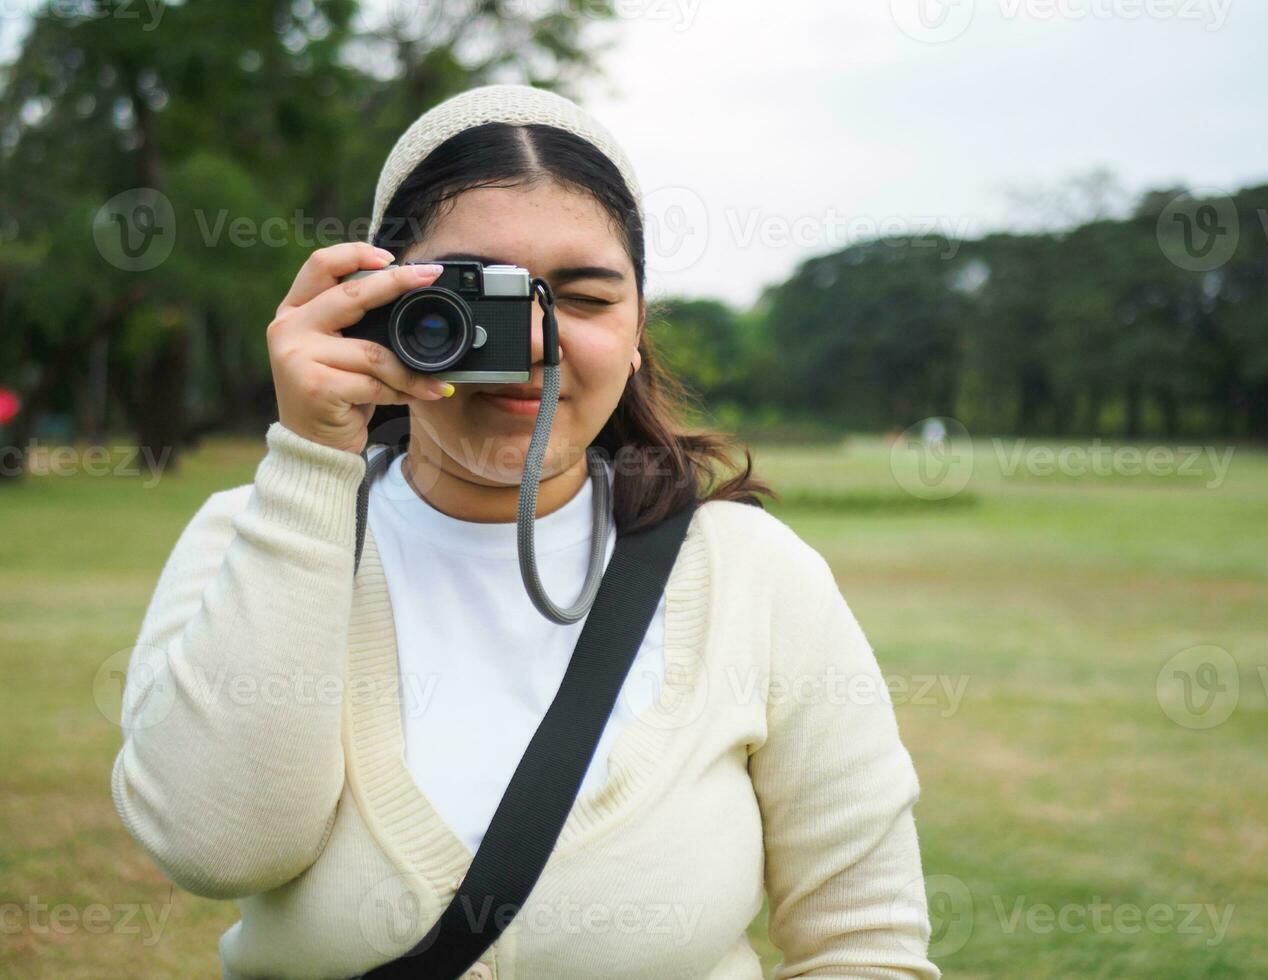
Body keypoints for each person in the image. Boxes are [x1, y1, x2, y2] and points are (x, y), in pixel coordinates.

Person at [109, 83, 940, 980]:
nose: (533, 341)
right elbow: (216, 850)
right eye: (475, 298)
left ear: (635, 335)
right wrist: (311, 459)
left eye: (582, 299)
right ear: (373, 303)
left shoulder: (752, 576)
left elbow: (866, 946)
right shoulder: (251, 536)